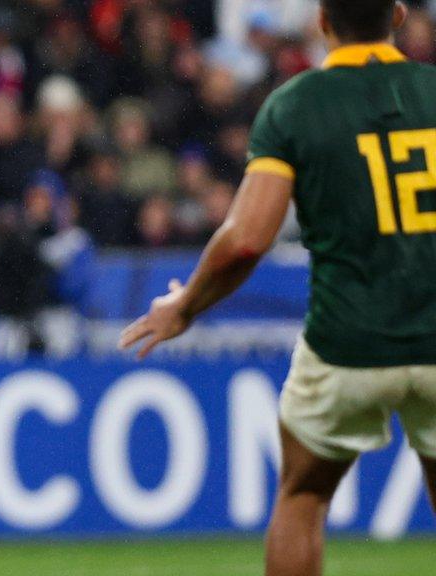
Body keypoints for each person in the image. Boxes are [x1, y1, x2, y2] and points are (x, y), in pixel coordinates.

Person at [119, 3, 436, 576]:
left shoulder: (296, 105)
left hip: (348, 340)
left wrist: (185, 306)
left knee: (303, 497)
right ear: (397, 14)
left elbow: (246, 238)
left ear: (322, 20)